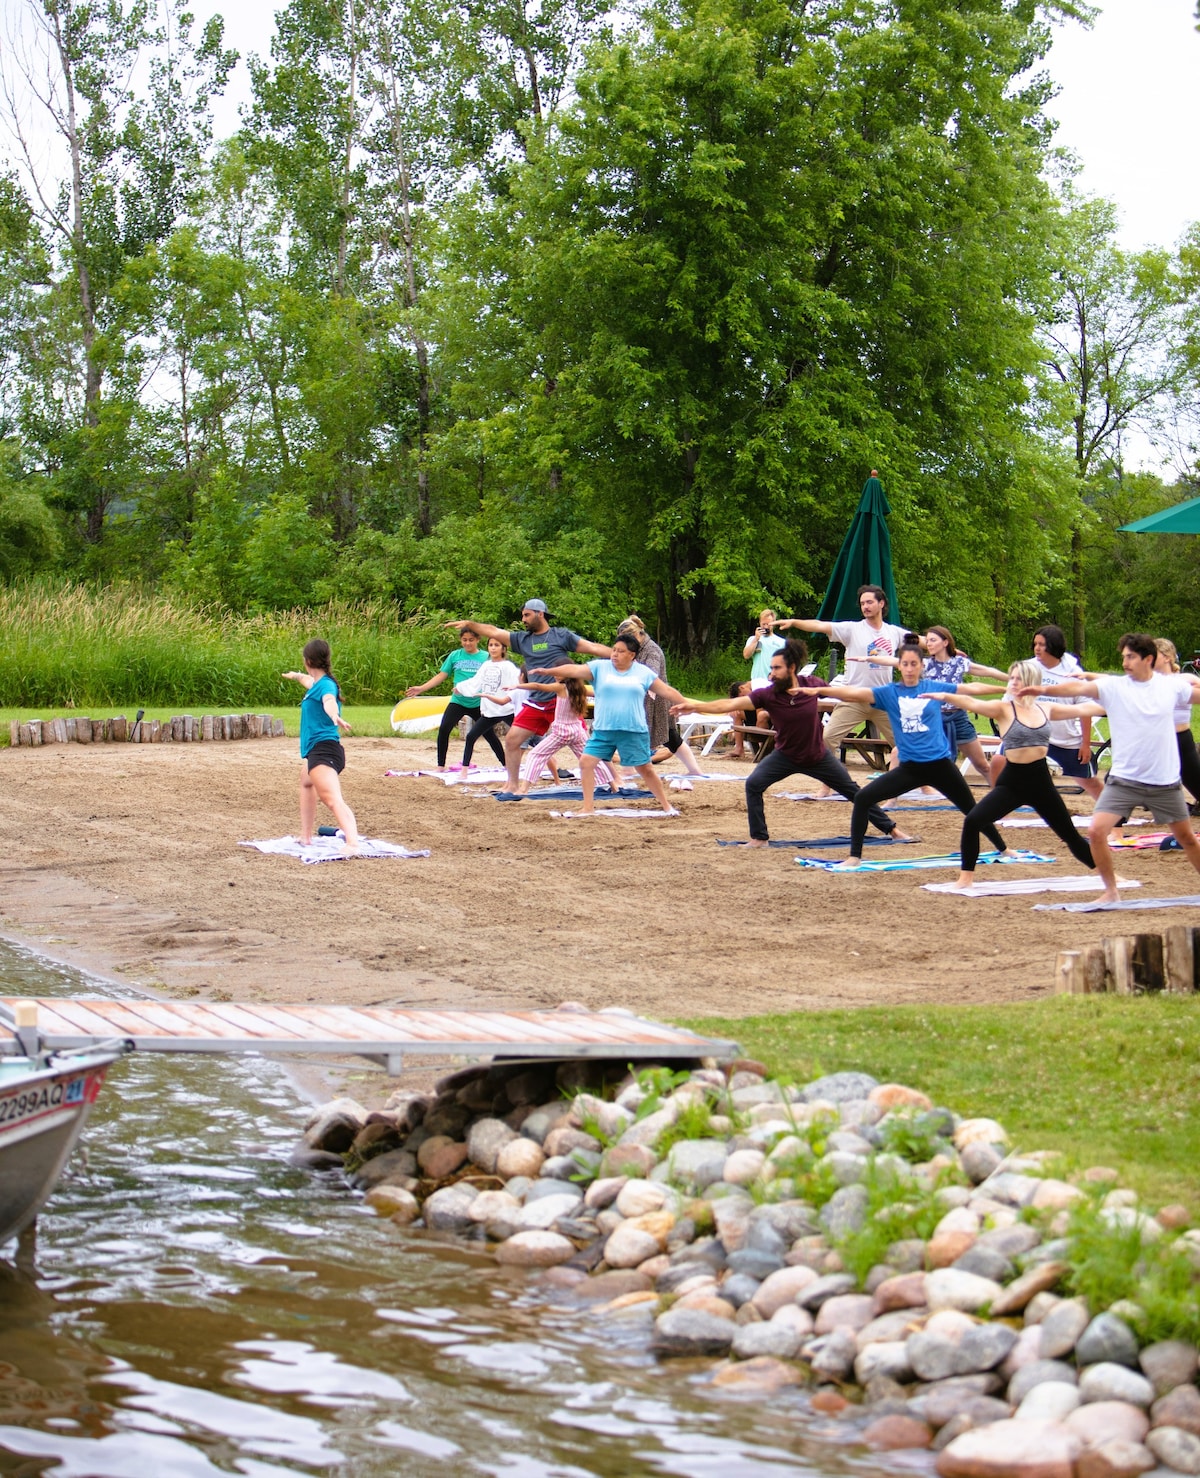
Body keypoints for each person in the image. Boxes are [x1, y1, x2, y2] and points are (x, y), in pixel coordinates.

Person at [671, 641, 919, 847]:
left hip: (817, 755)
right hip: (785, 755)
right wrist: (695, 705)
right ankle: (759, 838)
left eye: (776, 668)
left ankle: (893, 830)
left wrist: (881, 696)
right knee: (754, 784)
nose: (771, 673)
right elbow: (727, 705)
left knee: (857, 793)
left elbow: (845, 694)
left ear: (791, 668)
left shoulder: (812, 685)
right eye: (771, 668)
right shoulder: (767, 695)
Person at [1018, 632, 1200, 904]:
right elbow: (1077, 690)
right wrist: (1042, 690)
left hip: (1164, 780)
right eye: (1123, 656)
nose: (1125, 662)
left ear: (1148, 659)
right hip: (1124, 779)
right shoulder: (1115, 686)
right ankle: (1111, 891)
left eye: (1131, 657)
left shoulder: (1170, 687)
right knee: (1095, 832)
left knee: (1186, 837)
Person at [809, 640, 1011, 868]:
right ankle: (854, 857)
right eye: (905, 664)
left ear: (921, 667)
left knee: (971, 809)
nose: (910, 668)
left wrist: (1006, 688)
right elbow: (855, 693)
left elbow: (971, 689)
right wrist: (818, 690)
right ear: (899, 667)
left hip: (941, 766)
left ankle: (1004, 849)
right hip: (910, 768)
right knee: (863, 798)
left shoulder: (932, 687)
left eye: (914, 664)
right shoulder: (889, 693)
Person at [936, 661, 1097, 890]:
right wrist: (941, 694)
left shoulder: (1046, 708)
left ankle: (1104, 873)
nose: (1012, 683)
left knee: (1069, 834)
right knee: (973, 821)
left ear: (1031, 682)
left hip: (1041, 782)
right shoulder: (1003, 709)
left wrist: (1115, 700)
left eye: (1017, 678)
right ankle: (965, 878)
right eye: (1011, 678)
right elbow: (970, 702)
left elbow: (1085, 709)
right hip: (1012, 782)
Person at [445, 601, 612, 791]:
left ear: (540, 614)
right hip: (537, 702)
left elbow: (593, 648)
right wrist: (470, 624)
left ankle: (616, 781)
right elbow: (493, 631)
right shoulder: (522, 640)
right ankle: (512, 786)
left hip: (561, 702)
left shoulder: (561, 635)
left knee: (589, 746)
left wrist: (622, 657)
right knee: (512, 740)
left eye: (527, 615)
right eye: (523, 615)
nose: (523, 619)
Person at [531, 631, 687, 815]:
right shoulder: (600, 667)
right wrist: (548, 671)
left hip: (633, 730)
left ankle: (666, 806)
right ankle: (588, 807)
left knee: (645, 769)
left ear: (632, 655)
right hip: (604, 729)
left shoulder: (643, 672)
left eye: (621, 651)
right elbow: (574, 670)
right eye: (614, 649)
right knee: (586, 762)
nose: (615, 654)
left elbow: (667, 691)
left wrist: (685, 703)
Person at [791, 584, 907, 772]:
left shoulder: (894, 632)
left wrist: (947, 648)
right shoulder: (852, 629)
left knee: (907, 742)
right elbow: (820, 626)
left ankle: (918, 782)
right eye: (862, 603)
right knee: (827, 738)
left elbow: (922, 641)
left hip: (883, 699)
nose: (865, 606)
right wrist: (795, 622)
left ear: (881, 603)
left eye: (869, 602)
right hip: (853, 698)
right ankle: (828, 782)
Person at [868, 626, 1007, 780]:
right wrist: (868, 658)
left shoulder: (960, 662)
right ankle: (892, 798)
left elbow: (987, 671)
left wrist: (1011, 679)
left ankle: (999, 795)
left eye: (933, 640)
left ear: (945, 642)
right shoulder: (926, 664)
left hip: (958, 718)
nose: (929, 644)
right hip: (933, 719)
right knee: (899, 753)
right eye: (927, 641)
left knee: (982, 765)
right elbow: (894, 661)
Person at [999, 625, 1104, 804]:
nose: (1037, 648)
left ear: (1054, 646)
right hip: (1031, 733)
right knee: (999, 763)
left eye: (1042, 644)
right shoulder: (1027, 668)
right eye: (1035, 644)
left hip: (1064, 736)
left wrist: (1085, 743)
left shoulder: (1073, 672)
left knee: (1087, 780)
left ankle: (1115, 812)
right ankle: (998, 808)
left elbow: (1084, 709)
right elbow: (1008, 701)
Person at [283, 639, 359, 853]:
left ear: (307, 660)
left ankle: (352, 842)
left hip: (325, 750)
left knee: (332, 799)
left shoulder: (326, 686)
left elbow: (328, 701)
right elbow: (308, 681)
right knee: (306, 781)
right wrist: (296, 676)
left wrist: (335, 716)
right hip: (319, 750)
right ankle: (306, 837)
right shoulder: (318, 683)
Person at [617, 615, 702, 776]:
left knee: (668, 737)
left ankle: (694, 770)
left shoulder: (652, 650)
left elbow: (651, 675)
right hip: (639, 699)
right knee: (635, 734)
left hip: (656, 701)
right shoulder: (636, 649)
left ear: (637, 635)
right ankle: (628, 770)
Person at [510, 672, 614, 793]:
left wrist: (518, 686)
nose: (555, 675)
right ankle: (614, 786)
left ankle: (523, 789)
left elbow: (538, 686)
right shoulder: (581, 689)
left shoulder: (560, 687)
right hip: (577, 731)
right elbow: (600, 693)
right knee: (592, 758)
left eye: (558, 673)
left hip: (562, 732)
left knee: (535, 755)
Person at [404, 628, 488, 769]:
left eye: (471, 640)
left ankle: (505, 765)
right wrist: (421, 688)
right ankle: (440, 766)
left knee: (489, 734)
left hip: (478, 702)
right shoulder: (455, 655)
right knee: (444, 729)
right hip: (458, 701)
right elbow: (441, 675)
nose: (467, 643)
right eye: (464, 640)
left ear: (478, 640)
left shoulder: (486, 657)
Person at [455, 637, 522, 768]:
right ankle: (464, 769)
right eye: (490, 645)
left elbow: (520, 682)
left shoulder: (508, 666)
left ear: (503, 648)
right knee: (471, 737)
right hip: (490, 711)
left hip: (507, 709)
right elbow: (475, 682)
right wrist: (460, 688)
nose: (493, 648)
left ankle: (551, 764)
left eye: (496, 645)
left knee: (528, 738)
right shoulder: (486, 665)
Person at [1154, 638, 1200, 810]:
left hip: (1181, 739)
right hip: (1156, 739)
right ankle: (1116, 824)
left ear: (1167, 657)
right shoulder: (1145, 681)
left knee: (1194, 781)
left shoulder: (1185, 678)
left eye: (1154, 654)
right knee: (1124, 781)